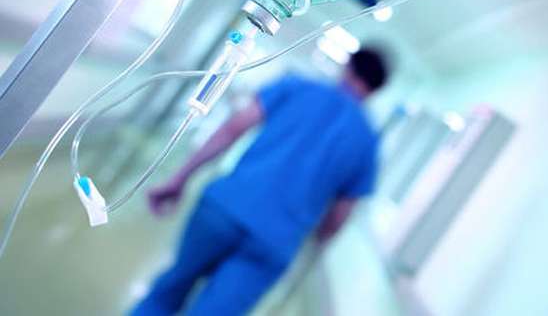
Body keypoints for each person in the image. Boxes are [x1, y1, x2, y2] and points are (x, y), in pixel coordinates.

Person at [131, 47, 389, 316]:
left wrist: (180, 178)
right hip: (275, 241)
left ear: (348, 67)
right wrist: (314, 245)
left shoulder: (297, 87)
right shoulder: (368, 145)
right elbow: (337, 218)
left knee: (170, 289)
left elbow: (232, 129)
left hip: (223, 208)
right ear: (375, 90)